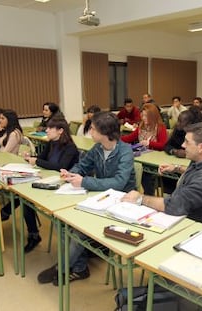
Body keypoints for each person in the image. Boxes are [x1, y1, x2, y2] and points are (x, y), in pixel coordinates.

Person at [37, 112, 136, 285]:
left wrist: (85, 181)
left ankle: (62, 267)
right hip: (101, 197)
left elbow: (119, 183)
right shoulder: (98, 148)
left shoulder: (125, 151)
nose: (90, 131)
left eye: (93, 129)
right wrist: (71, 173)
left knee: (77, 231)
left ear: (104, 133)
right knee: (62, 222)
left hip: (121, 203)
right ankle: (79, 268)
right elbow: (82, 165)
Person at [0, 117, 80, 253]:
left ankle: (7, 211)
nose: (46, 130)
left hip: (63, 186)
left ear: (60, 131)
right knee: (25, 198)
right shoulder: (51, 143)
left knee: (26, 197)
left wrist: (36, 161)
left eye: (50, 128)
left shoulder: (70, 148)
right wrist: (31, 157)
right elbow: (41, 158)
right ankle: (33, 235)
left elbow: (60, 166)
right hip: (48, 179)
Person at [122, 122, 202, 225]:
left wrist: (140, 198)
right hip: (180, 218)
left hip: (190, 227)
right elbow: (197, 172)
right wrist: (177, 168)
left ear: (201, 147)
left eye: (187, 142)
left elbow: (173, 206)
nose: (183, 145)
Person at [121, 103, 168, 195]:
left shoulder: (160, 128)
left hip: (155, 161)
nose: (143, 118)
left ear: (153, 116)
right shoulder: (141, 126)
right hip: (143, 158)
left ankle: (148, 196)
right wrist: (114, 138)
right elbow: (129, 138)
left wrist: (150, 143)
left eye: (146, 116)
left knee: (146, 177)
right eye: (142, 115)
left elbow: (163, 145)